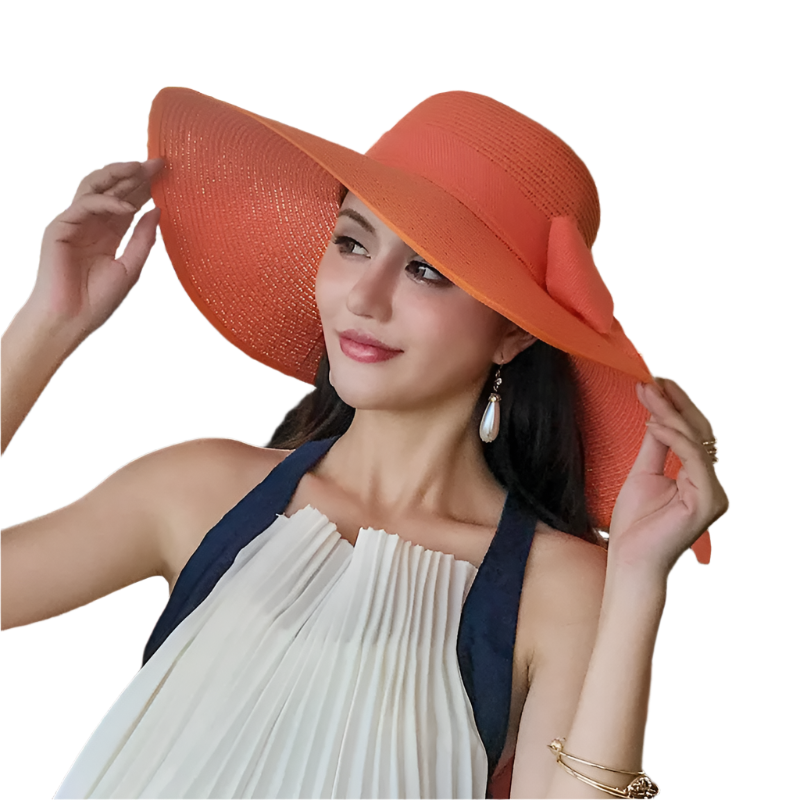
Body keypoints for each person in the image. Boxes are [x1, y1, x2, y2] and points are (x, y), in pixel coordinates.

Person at [0, 88, 729, 799]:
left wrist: (639, 581)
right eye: (352, 243)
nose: (363, 297)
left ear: (513, 332)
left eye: (427, 270)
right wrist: (47, 324)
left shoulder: (560, 586)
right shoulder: (201, 487)